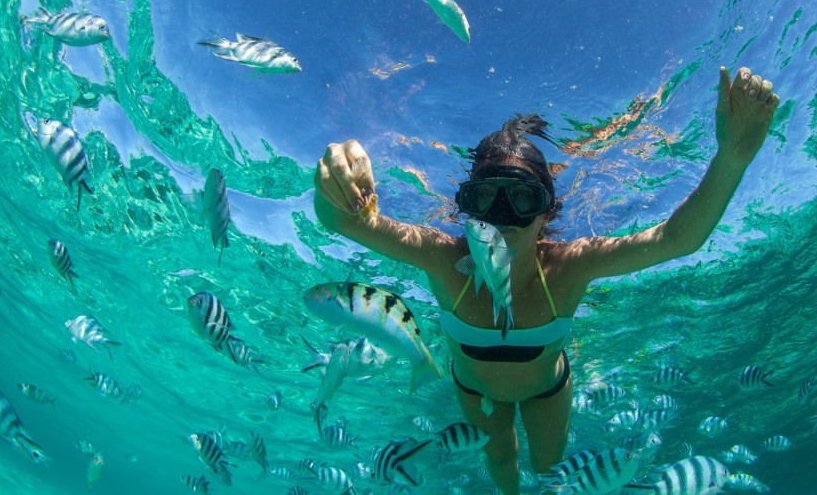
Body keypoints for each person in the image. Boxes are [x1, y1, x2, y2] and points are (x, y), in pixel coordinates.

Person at [314, 66, 779, 495]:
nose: (502, 216)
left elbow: (678, 239)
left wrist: (733, 157)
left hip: (546, 389)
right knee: (500, 461)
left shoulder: (569, 266)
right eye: (484, 198)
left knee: (548, 470)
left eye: (521, 196)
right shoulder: (442, 257)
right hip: (472, 388)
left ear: (546, 211)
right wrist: (340, 182)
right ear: (466, 208)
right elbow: (344, 223)